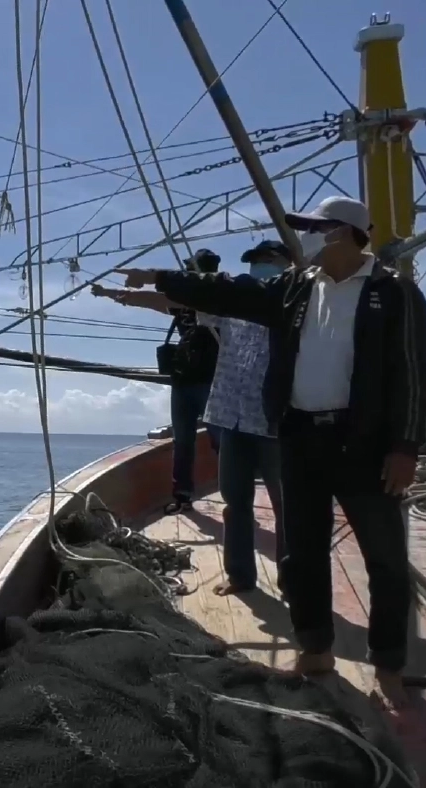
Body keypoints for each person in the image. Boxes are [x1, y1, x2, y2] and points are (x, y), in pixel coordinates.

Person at [114, 196, 426, 707]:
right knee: (302, 550)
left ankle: (390, 664)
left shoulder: (394, 294)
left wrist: (405, 448)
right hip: (302, 437)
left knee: (386, 560)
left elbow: (415, 374)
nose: (302, 237)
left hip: (367, 446)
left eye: (313, 228)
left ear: (344, 233)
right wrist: (160, 276)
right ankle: (316, 648)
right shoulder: (297, 288)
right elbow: (232, 293)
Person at [94, 239, 294, 600]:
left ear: (288, 265)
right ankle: (240, 575)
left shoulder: (295, 306)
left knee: (287, 507)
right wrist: (124, 292)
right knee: (236, 502)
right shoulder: (230, 306)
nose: (260, 266)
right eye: (255, 261)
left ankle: (293, 582)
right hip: (229, 414)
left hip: (273, 421)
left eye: (268, 261)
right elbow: (177, 300)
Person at [153, 249, 220, 514]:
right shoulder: (181, 300)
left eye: (191, 268)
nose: (187, 273)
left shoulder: (221, 300)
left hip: (210, 380)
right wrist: (119, 297)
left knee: (220, 440)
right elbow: (157, 301)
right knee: (183, 441)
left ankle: (236, 493)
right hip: (183, 380)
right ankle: (182, 495)